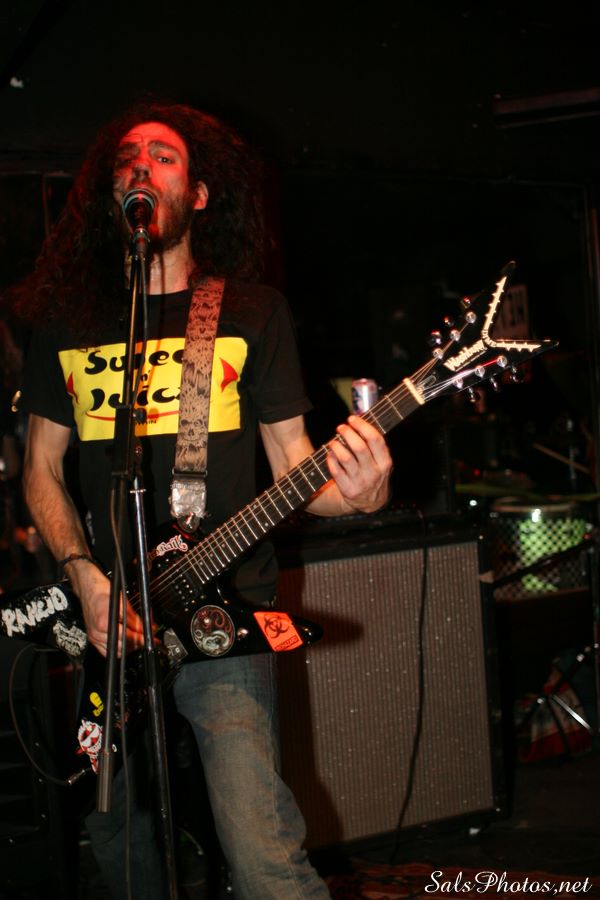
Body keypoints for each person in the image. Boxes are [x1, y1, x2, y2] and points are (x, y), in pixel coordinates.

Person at [16, 102, 392, 899]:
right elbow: (41, 469)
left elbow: (296, 467)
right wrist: (83, 574)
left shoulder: (251, 312)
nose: (143, 165)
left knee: (261, 853)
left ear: (199, 194)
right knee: (118, 845)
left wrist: (363, 493)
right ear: (109, 191)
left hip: (224, 616)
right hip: (110, 623)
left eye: (165, 156)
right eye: (129, 156)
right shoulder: (68, 321)